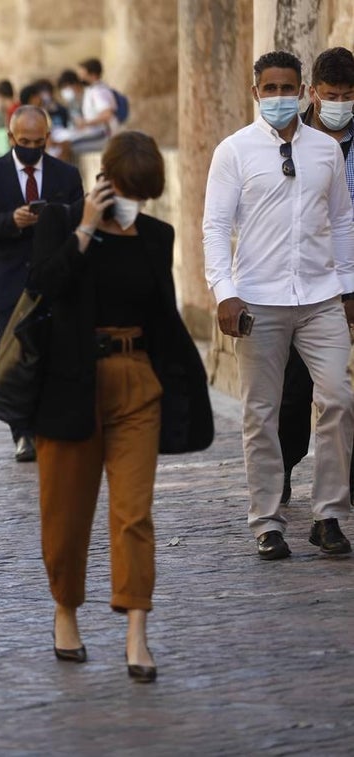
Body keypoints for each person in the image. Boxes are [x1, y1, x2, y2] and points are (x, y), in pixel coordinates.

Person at [29, 131, 213, 684]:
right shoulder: (61, 222)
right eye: (128, 190)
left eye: (143, 193)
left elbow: (163, 318)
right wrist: (86, 228)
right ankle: (66, 612)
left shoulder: (156, 234)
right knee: (65, 513)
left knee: (134, 513)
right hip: (71, 383)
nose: (136, 202)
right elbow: (43, 286)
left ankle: (137, 631)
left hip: (137, 382)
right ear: (105, 180)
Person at [204, 50, 354, 560]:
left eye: (287, 88)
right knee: (261, 413)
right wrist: (224, 292)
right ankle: (266, 522)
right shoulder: (234, 151)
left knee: (338, 399)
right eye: (270, 89)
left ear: (303, 92)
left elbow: (342, 220)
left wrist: (347, 288)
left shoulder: (326, 151)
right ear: (256, 93)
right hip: (258, 301)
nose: (279, 97)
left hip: (320, 298)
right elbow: (215, 226)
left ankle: (328, 515)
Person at [0, 105, 84, 462]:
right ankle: (22, 433)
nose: (31, 147)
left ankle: (50, 425)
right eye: (24, 141)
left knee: (55, 357)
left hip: (55, 280)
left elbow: (81, 221)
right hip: (9, 285)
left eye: (38, 142)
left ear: (47, 138)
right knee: (17, 361)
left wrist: (53, 220)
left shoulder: (66, 174)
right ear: (10, 137)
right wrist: (11, 221)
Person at [275, 46, 354, 506]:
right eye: (331, 95)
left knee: (341, 393)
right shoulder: (290, 137)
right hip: (307, 280)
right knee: (295, 388)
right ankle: (283, 470)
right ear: (315, 94)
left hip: (350, 273)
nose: (339, 103)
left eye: (347, 95)